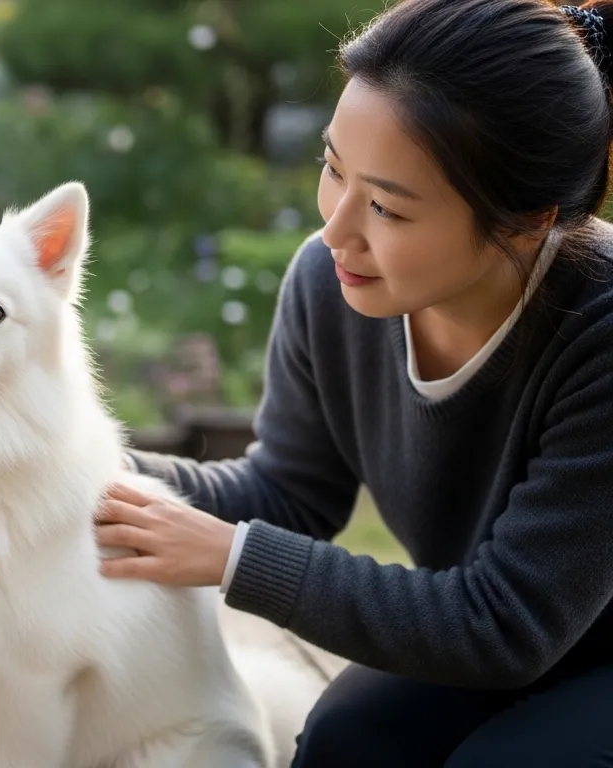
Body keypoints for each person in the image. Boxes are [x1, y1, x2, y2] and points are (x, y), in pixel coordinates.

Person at [94, 0, 613, 764]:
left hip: (536, 629)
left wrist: (235, 557)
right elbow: (289, 492)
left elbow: (507, 625)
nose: (335, 229)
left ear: (528, 221)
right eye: (332, 168)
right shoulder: (331, 281)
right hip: (527, 630)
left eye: (385, 208)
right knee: (346, 742)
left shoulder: (599, 331)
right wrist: (86, 464)